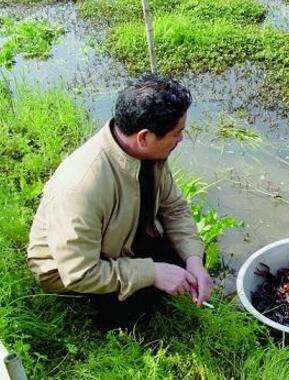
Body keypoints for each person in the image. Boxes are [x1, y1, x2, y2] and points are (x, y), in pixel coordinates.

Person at [27, 73, 213, 326]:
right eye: (177, 133)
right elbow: (80, 273)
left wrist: (193, 261)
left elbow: (174, 208)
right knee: (136, 310)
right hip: (74, 272)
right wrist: (152, 273)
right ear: (145, 137)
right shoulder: (80, 186)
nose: (181, 139)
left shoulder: (149, 154)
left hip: (121, 241)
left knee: (194, 257)